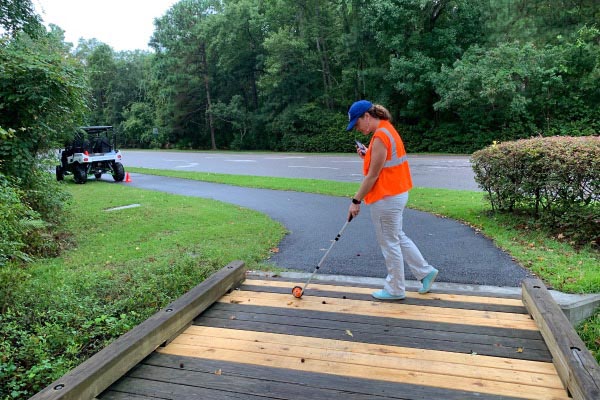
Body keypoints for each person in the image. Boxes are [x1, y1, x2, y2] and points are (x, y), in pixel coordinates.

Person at [346, 100, 438, 300]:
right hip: (397, 193)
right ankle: (425, 272)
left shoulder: (379, 136)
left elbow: (372, 175)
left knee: (389, 243)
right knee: (397, 236)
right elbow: (383, 162)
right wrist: (366, 154)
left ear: (367, 117)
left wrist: (356, 201)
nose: (357, 128)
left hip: (386, 197)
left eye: (357, 123)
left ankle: (395, 289)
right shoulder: (387, 130)